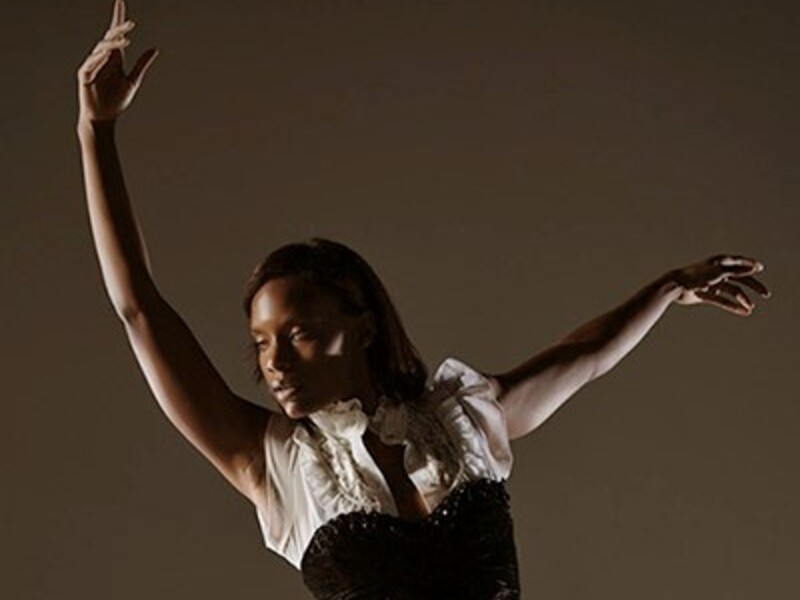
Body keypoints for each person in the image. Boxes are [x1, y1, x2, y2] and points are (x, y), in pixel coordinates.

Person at [76, 2, 771, 598]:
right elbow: (141, 310)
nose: (275, 362)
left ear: (363, 323)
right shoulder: (277, 466)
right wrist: (96, 135)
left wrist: (668, 288)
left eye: (299, 333)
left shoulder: (462, 421)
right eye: (261, 343)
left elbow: (582, 355)